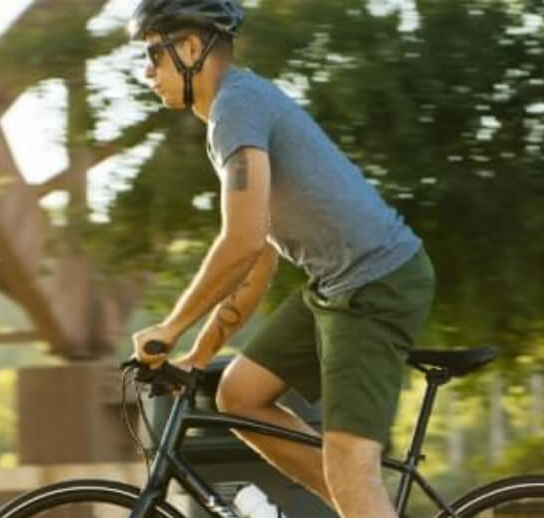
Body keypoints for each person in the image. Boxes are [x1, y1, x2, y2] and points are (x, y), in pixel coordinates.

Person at [127, 1, 436, 517]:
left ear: (188, 47)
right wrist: (198, 357)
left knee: (349, 467)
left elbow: (242, 239)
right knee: (240, 395)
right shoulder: (235, 109)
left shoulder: (235, 106)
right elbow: (259, 261)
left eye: (152, 54)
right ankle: (364, 506)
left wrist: (171, 326)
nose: (146, 72)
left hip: (375, 281)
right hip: (336, 287)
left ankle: (363, 501)